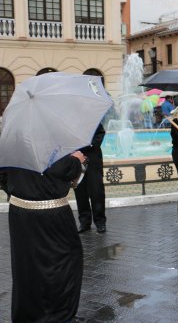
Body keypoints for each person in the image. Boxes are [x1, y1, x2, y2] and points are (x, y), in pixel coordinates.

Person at [6, 151, 86, 322]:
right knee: (65, 260)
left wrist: (24, 190)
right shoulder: (48, 140)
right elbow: (62, 169)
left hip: (19, 212)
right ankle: (58, 316)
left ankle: (29, 316)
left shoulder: (10, 141)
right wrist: (76, 161)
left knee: (27, 265)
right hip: (51, 213)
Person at [75, 123, 107, 233]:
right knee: (80, 191)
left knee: (96, 190)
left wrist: (91, 145)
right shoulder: (67, 119)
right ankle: (84, 222)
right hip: (76, 158)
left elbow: (100, 133)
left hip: (93, 157)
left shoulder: (92, 116)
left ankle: (100, 222)